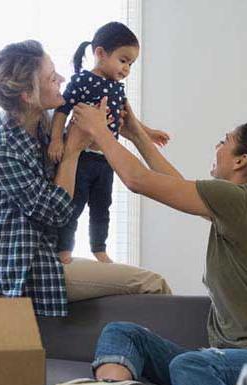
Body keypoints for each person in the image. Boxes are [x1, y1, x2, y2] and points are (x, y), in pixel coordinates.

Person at [71, 98, 247, 385]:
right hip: (235, 360)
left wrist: (99, 131)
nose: (217, 146)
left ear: (240, 160)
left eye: (224, 141)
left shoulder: (239, 202)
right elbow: (176, 186)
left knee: (189, 364)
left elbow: (139, 181)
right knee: (123, 332)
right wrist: (136, 135)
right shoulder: (240, 206)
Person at [0, 40, 171, 317]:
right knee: (153, 284)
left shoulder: (45, 123)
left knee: (147, 283)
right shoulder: (3, 147)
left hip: (46, 252)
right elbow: (59, 212)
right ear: (26, 94)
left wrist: (126, 132)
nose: (61, 79)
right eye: (51, 77)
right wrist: (72, 151)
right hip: (23, 270)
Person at [48, 22, 170, 264]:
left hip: (106, 159)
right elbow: (62, 110)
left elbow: (129, 122)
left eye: (131, 64)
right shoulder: (82, 80)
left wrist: (149, 133)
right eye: (123, 60)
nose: (126, 68)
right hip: (81, 156)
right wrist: (55, 140)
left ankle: (99, 248)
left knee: (102, 207)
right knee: (73, 205)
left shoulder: (117, 88)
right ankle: (64, 249)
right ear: (100, 53)